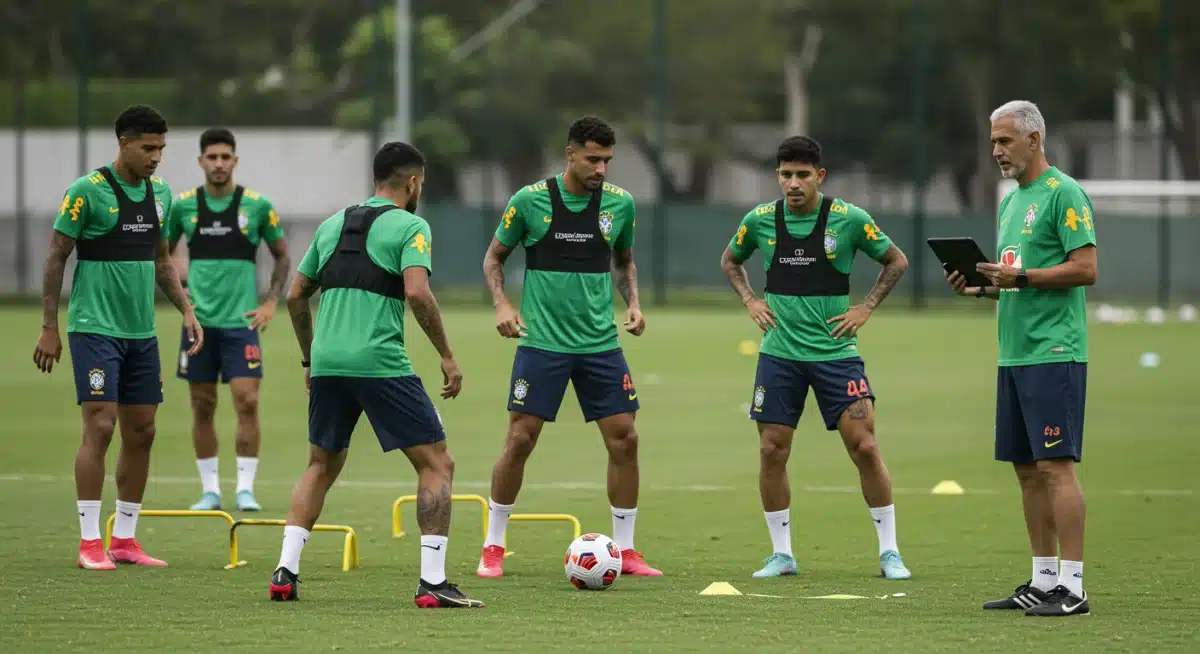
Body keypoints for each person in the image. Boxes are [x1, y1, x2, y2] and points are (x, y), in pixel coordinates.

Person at [269, 141, 483, 608]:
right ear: (412, 182)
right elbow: (418, 293)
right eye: (420, 183)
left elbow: (294, 295)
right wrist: (447, 354)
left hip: (328, 363)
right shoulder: (411, 225)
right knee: (436, 462)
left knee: (320, 464)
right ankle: (432, 582)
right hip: (379, 362)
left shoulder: (330, 224)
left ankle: (285, 572)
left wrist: (310, 359)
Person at [719, 135, 913, 580]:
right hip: (780, 355)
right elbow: (731, 260)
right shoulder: (760, 221)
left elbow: (896, 261)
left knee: (864, 446)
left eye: (802, 175)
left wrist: (865, 307)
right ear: (777, 176)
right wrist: (750, 300)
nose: (793, 183)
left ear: (819, 177)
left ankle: (890, 553)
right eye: (786, 175)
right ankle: (781, 554)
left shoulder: (848, 219)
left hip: (836, 354)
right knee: (771, 450)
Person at [477, 116, 661, 578]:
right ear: (571, 153)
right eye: (593, 159)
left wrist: (634, 303)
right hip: (543, 343)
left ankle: (626, 550)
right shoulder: (530, 201)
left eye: (607, 161)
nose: (601, 169)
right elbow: (494, 257)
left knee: (626, 439)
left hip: (600, 344)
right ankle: (493, 545)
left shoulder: (620, 205)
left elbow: (624, 261)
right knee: (520, 439)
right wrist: (502, 305)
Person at [33, 104, 203, 570]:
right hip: (93, 329)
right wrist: (50, 326)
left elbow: (163, 260)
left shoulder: (162, 194)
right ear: (123, 143)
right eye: (148, 148)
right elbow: (54, 258)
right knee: (101, 425)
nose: (156, 157)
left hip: (140, 333)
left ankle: (124, 539)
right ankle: (90, 541)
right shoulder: (86, 192)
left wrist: (187, 310)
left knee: (143, 431)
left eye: (161, 149)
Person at [947, 100, 1096, 617]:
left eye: (1005, 140)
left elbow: (1086, 269)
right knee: (1027, 471)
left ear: (1034, 140)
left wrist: (1023, 279)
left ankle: (1073, 590)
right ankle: (1042, 579)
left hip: (1054, 352)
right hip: (1013, 354)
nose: (996, 151)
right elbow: (1015, 281)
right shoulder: (1012, 201)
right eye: (993, 141)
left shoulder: (1064, 194)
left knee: (1056, 467)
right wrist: (983, 289)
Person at [166, 127, 291, 513]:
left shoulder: (256, 206)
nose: (218, 164)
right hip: (199, 325)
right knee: (202, 405)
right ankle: (209, 491)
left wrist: (271, 302)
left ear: (235, 161)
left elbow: (282, 256)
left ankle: (245, 489)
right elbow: (163, 255)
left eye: (225, 157)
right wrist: (178, 292)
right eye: (212, 157)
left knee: (246, 400)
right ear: (201, 161)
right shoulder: (183, 206)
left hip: (241, 324)